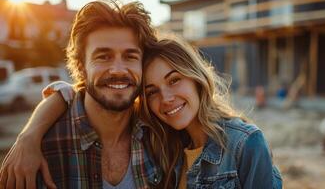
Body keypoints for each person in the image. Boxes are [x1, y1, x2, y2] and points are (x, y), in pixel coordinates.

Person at [1, 34, 282, 188]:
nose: (167, 98)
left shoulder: (245, 143)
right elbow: (76, 92)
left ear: (196, 78)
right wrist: (29, 136)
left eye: (174, 80)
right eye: (152, 91)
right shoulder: (163, 141)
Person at [0, 0, 166, 188]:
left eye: (130, 56)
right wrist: (28, 137)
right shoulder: (41, 150)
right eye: (103, 56)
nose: (118, 70)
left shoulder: (160, 138)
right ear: (81, 67)